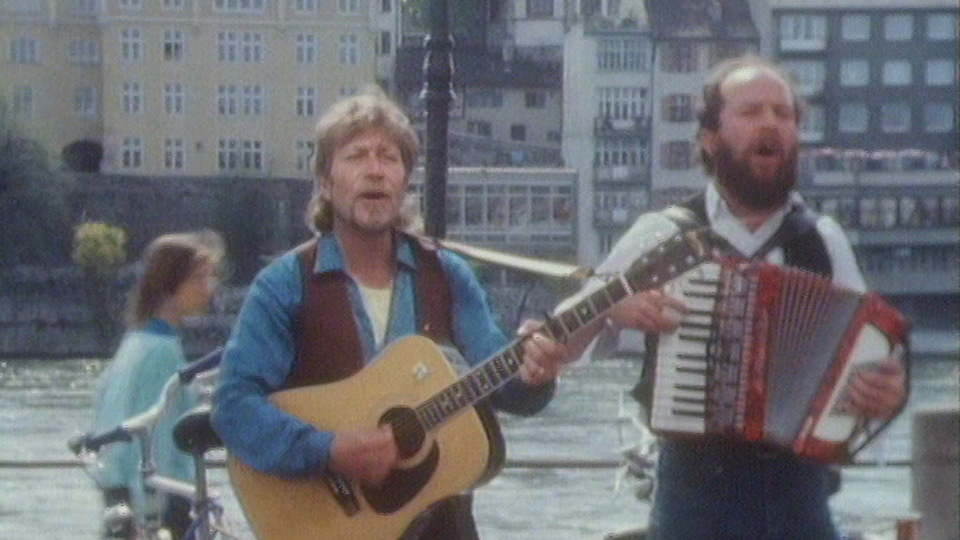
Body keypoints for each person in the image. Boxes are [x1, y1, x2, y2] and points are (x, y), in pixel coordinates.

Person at [560, 55, 908, 540]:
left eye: (783, 113)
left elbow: (869, 362)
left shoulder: (823, 240)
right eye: (751, 111)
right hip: (694, 494)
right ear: (710, 138)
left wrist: (886, 391)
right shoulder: (664, 234)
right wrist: (612, 305)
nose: (770, 122)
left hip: (800, 497)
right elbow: (564, 342)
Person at [210, 90, 569, 539]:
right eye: (356, 156)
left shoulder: (446, 274)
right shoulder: (285, 284)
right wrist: (328, 450)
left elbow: (503, 384)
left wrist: (537, 373)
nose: (375, 170)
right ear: (325, 180)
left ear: (404, 180)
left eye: (389, 157)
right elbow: (232, 407)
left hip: (441, 526)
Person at [91, 231, 224, 539]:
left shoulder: (136, 341)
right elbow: (155, 439)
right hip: (160, 504)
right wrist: (147, 517)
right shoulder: (161, 352)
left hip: (123, 499)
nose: (209, 288)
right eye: (200, 278)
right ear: (171, 284)